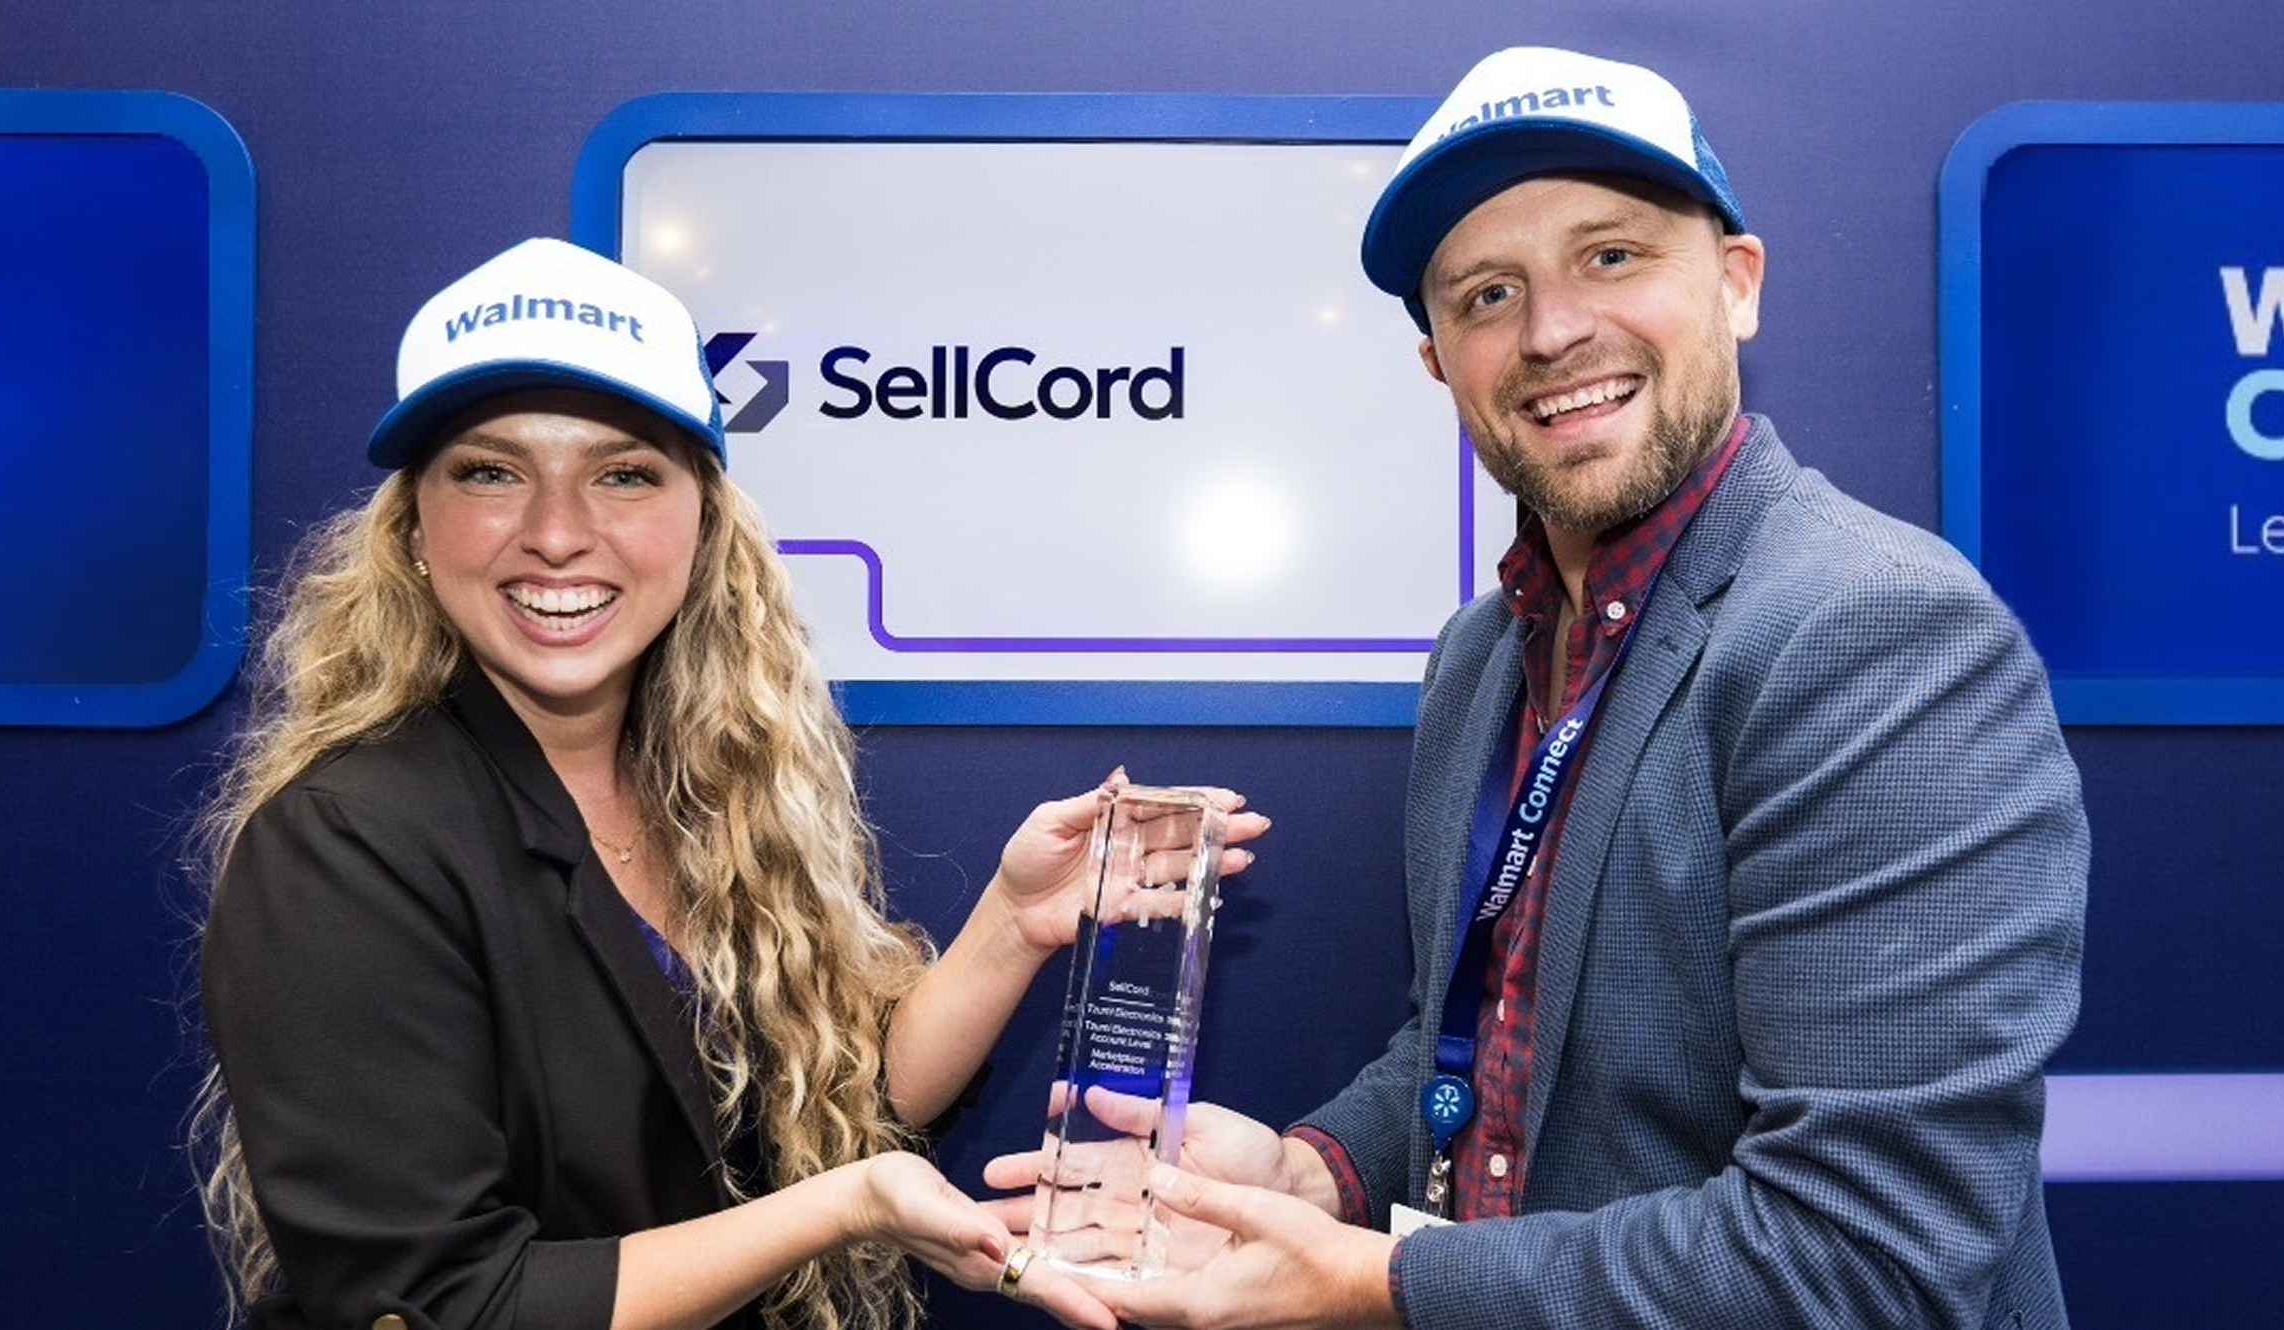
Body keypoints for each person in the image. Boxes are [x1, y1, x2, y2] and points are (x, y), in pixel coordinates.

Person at [994, 45, 2088, 1330]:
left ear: (1737, 284)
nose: (1553, 330)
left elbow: (1867, 1259)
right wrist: (1312, 1172)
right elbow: (1479, 1053)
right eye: (1487, 293)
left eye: (1611, 257)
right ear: (1439, 363)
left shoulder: (1876, 632)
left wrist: (1378, 1285)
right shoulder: (1481, 657)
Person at [188, 237, 1262, 1330]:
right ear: (415, 527)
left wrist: (1017, 921)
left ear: (701, 525)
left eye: (623, 473)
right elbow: (456, 1305)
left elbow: (836, 1107)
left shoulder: (705, 788)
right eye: (491, 470)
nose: (558, 533)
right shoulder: (342, 848)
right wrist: (844, 1208)